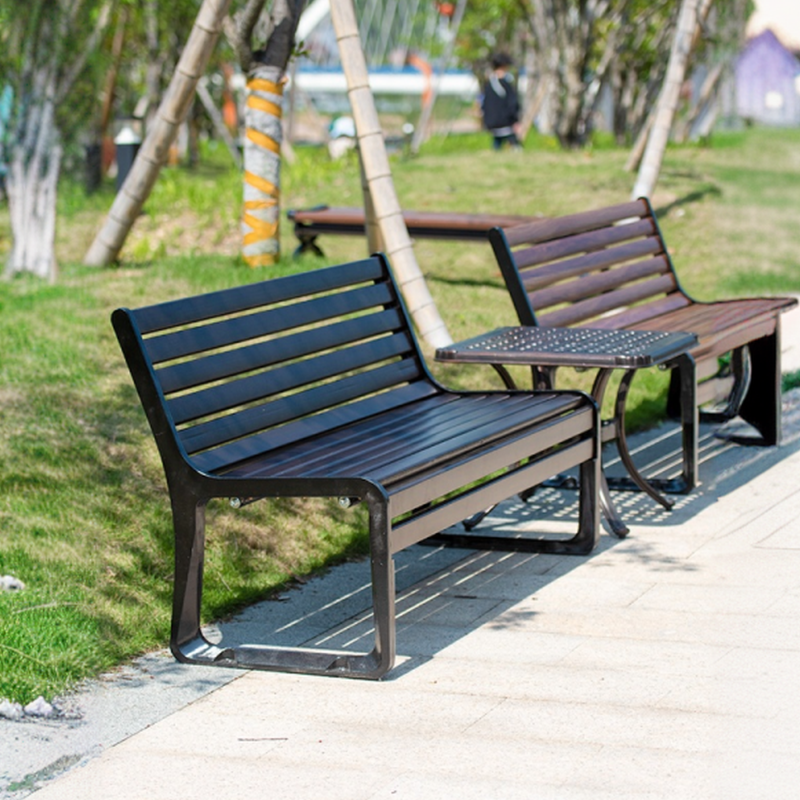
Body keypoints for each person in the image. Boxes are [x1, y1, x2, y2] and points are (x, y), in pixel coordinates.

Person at [481, 53, 521, 150]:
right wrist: (515, 120)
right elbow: (512, 104)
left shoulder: (488, 84)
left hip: (492, 123)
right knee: (515, 146)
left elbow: (484, 104)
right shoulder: (506, 84)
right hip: (506, 123)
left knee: (497, 144)